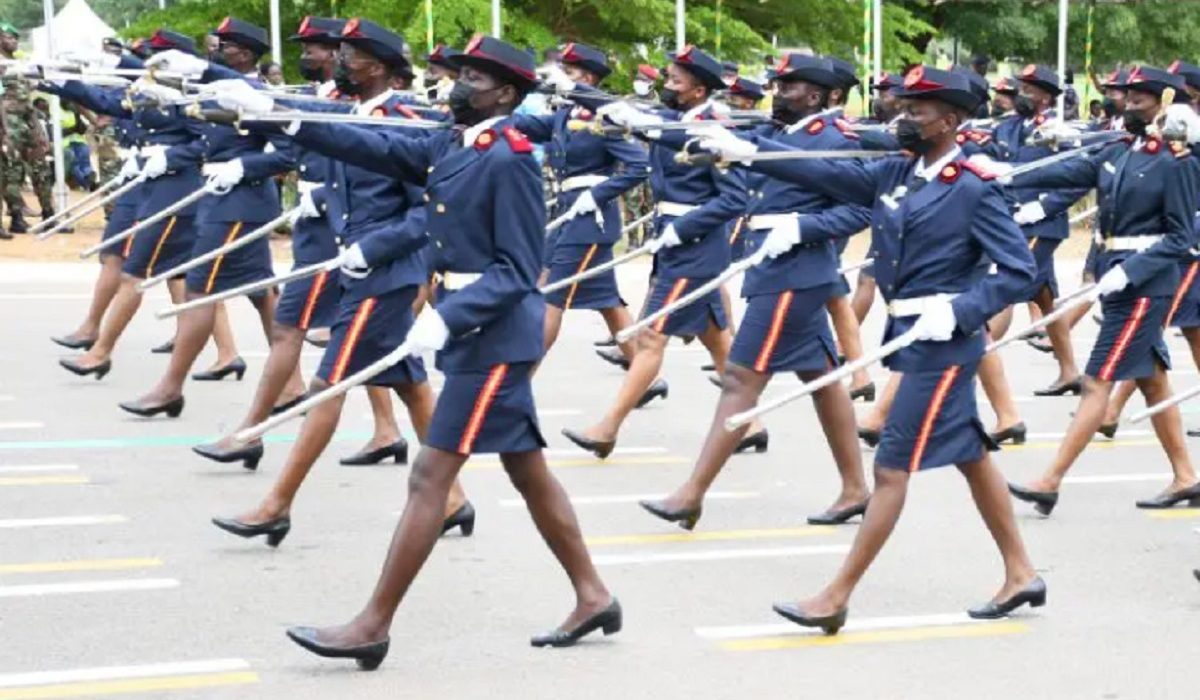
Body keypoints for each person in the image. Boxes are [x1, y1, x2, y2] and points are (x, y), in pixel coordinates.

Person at [214, 32, 619, 668]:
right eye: (458, 74)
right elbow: (370, 142)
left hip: (494, 338)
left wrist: (447, 317)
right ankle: (593, 594)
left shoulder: (508, 157)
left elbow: (519, 268)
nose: (456, 85)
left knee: (431, 476)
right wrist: (282, 115)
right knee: (527, 471)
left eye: (473, 79)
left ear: (505, 95)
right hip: (472, 335)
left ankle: (372, 624)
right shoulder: (451, 141)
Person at [695, 65, 1043, 631]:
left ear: (950, 120)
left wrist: (958, 309)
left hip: (943, 345)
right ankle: (1022, 571)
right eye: (904, 107)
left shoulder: (973, 186)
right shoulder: (898, 174)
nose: (903, 117)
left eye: (917, 111)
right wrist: (743, 151)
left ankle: (835, 595)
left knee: (889, 470)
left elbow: (1019, 272)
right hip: (908, 338)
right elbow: (824, 176)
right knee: (970, 456)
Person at [201, 18, 471, 541]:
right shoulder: (361, 111)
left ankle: (276, 504)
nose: (339, 60)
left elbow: (431, 209)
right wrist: (246, 98)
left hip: (385, 275)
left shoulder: (405, 120)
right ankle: (454, 499)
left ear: (385, 69)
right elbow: (315, 123)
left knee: (327, 387)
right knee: (412, 384)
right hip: (362, 267)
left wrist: (376, 246)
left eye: (352, 54)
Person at [636, 54, 872, 530]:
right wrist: (645, 127)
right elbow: (735, 143)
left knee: (740, 380)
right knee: (823, 380)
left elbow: (862, 209)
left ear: (824, 96)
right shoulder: (787, 133)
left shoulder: (833, 138)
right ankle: (855, 487)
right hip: (779, 268)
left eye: (791, 87)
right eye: (779, 86)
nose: (777, 93)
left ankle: (691, 493)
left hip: (792, 272)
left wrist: (805, 227)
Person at [1007, 66, 1200, 515]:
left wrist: (1130, 271)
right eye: (1125, 97)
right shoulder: (1122, 150)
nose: (1126, 104)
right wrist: (1003, 174)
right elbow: (1069, 171)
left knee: (1096, 382)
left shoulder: (1176, 160)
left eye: (1138, 99)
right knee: (1151, 381)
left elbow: (1181, 238)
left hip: (1143, 284)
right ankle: (1186, 476)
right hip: (1120, 275)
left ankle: (1050, 479)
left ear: (1164, 103)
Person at [560, 46, 750, 459]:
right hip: (675, 240)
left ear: (699, 89)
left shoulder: (713, 128)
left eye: (676, 81)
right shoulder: (678, 120)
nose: (667, 85)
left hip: (694, 246)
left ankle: (607, 427)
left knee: (649, 338)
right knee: (718, 342)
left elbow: (735, 199)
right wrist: (577, 93)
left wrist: (684, 228)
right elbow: (638, 119)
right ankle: (752, 423)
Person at [117, 17, 293, 418]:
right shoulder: (219, 88)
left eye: (226, 46)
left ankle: (169, 388)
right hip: (219, 200)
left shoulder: (256, 93)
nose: (216, 49)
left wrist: (242, 167)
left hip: (241, 204)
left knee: (200, 292)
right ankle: (292, 384)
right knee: (262, 292)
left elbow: (288, 152)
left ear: (245, 54)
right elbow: (197, 138)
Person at [529, 44, 649, 362]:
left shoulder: (606, 114)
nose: (562, 79)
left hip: (590, 219)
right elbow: (522, 126)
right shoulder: (563, 115)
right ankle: (644, 371)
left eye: (568, 73)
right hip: (567, 212)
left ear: (588, 78)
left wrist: (596, 195)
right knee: (606, 298)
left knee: (550, 293)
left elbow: (640, 166)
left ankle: (516, 381)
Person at [984, 65, 1089, 397]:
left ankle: (972, 357)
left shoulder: (1058, 131)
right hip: (1011, 220)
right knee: (1046, 299)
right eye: (1021, 89)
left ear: (1047, 97)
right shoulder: (1008, 128)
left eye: (1030, 90)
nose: (1022, 95)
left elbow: (1079, 176)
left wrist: (1044, 206)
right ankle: (1070, 371)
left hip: (1041, 224)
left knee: (1005, 286)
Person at [0, 22, 51, 235]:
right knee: (10, 171)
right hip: (7, 120)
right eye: (8, 37)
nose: (14, 41)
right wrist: (4, 132)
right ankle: (16, 217)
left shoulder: (19, 63)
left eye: (16, 38)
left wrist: (38, 128)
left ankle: (49, 214)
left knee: (41, 167)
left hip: (26, 119)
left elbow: (28, 98)